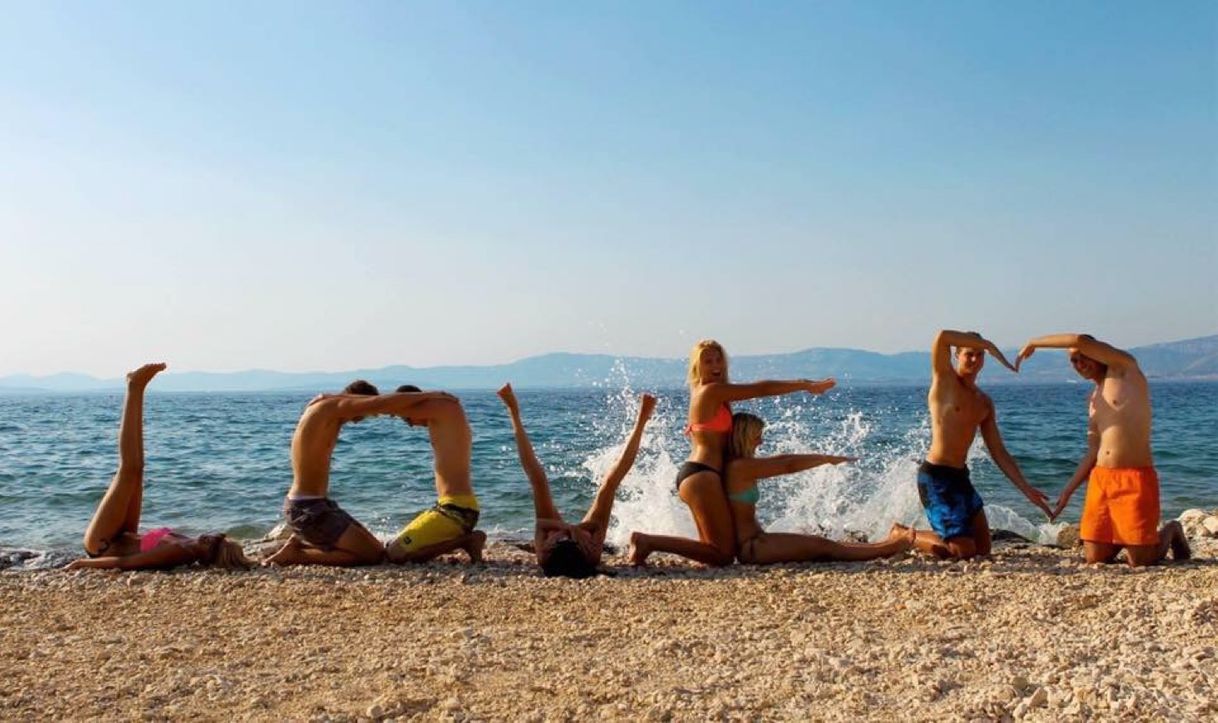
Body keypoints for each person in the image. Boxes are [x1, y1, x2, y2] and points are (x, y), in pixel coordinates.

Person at [628, 339, 836, 566]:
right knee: (723, 555)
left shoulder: (709, 393)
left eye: (719, 360)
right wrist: (805, 385)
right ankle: (647, 542)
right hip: (702, 476)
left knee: (713, 550)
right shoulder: (711, 391)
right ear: (697, 367)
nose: (715, 365)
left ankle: (649, 543)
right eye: (708, 361)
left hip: (700, 476)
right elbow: (760, 389)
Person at [1016, 333, 1189, 566]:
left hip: (1134, 476)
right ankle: (1125, 537)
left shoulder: (1124, 368)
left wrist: (1034, 342)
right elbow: (1093, 450)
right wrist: (1068, 492)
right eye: (1073, 361)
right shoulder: (1095, 397)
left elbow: (1077, 340)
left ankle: (1171, 530)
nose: (1079, 364)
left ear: (1097, 352)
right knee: (1095, 558)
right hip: (1101, 480)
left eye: (1083, 357)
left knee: (1141, 561)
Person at [67, 363, 250, 571]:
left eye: (218, 543)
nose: (217, 536)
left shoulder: (180, 553)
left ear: (210, 555)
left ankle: (135, 387)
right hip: (124, 534)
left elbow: (126, 562)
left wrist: (81, 564)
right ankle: (136, 389)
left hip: (104, 545)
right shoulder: (187, 543)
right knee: (138, 468)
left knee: (129, 468)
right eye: (222, 537)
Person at [265, 381, 462, 566]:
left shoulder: (328, 408)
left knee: (378, 550)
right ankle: (297, 555)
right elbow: (380, 403)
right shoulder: (328, 407)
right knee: (372, 557)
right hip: (306, 509)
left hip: (321, 505)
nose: (360, 420)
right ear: (354, 400)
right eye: (363, 412)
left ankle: (304, 545)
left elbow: (372, 404)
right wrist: (435, 394)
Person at [898, 331, 1053, 560]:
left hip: (961, 478)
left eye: (980, 355)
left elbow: (998, 451)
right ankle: (903, 535)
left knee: (982, 550)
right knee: (963, 551)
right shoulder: (945, 382)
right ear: (956, 356)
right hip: (936, 478)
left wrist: (1026, 489)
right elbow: (942, 337)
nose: (974, 360)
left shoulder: (984, 402)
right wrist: (989, 343)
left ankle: (931, 536)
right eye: (969, 354)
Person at [498, 383, 655, 578]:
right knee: (609, 485)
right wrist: (578, 533)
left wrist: (566, 530)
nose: (566, 538)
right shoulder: (592, 553)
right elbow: (596, 527)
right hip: (585, 538)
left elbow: (541, 524)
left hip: (558, 537)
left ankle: (513, 412)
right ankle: (641, 421)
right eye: (570, 540)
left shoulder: (544, 554)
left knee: (538, 481)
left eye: (562, 540)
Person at [726, 412, 913, 563]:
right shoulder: (739, 467)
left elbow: (783, 460)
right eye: (757, 436)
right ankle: (891, 547)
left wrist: (825, 458)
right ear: (743, 437)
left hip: (757, 541)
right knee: (824, 547)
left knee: (825, 543)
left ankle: (886, 544)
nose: (761, 442)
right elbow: (787, 465)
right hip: (752, 546)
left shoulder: (741, 465)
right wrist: (826, 459)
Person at [384, 384, 486, 563]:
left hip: (457, 511)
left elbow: (393, 404)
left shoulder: (448, 410)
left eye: (407, 418)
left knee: (395, 554)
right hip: (449, 508)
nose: (411, 425)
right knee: (391, 547)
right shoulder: (440, 421)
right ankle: (461, 540)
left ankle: (467, 541)